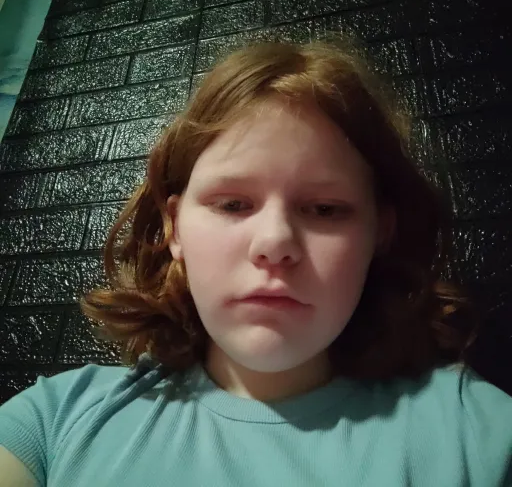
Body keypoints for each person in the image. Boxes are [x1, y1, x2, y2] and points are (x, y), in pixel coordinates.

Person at [1, 37, 511, 487]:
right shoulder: (52, 421)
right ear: (175, 228)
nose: (274, 243)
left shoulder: (478, 434)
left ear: (380, 232)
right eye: (232, 204)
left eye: (325, 209)